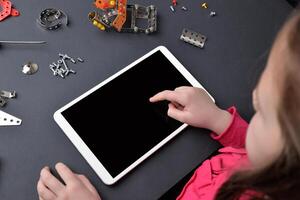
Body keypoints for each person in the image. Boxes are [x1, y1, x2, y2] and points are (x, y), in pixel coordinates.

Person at [37, 9, 300, 200]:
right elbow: (256, 150)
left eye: (263, 111)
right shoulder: (276, 164)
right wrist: (221, 120)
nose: (253, 97)